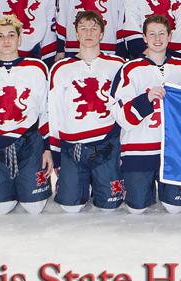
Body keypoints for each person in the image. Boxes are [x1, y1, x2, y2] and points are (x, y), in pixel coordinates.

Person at [111, 14, 181, 214]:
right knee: (136, 208)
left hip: (173, 152)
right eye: (152, 34)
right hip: (139, 151)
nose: (157, 39)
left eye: (162, 34)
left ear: (170, 36)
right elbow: (123, 117)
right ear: (144, 37)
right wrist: (146, 99)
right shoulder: (129, 69)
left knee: (175, 209)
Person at [0, 16, 52, 215]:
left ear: (19, 39)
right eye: (0, 36)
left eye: (11, 35)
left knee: (34, 207)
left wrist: (48, 148)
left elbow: (46, 110)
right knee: (1, 208)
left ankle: (22, 183)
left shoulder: (37, 68)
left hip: (28, 142)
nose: (6, 41)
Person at [47, 11, 125, 213]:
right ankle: (79, 182)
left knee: (110, 206)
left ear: (101, 33)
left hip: (106, 144)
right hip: (74, 147)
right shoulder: (61, 68)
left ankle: (99, 179)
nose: (88, 32)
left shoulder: (118, 65)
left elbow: (125, 107)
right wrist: (56, 152)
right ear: (76, 33)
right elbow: (54, 111)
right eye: (83, 28)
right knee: (70, 207)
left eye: (93, 28)